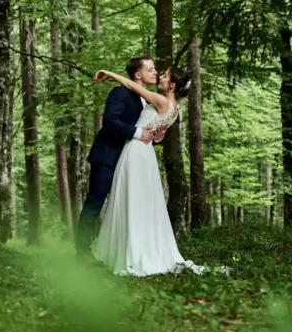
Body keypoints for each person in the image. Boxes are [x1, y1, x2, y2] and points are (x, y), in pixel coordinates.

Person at [90, 64, 204, 276]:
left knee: (130, 198)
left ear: (172, 85)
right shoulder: (175, 109)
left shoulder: (162, 100)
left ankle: (131, 252)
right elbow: (158, 133)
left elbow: (131, 85)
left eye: (165, 75)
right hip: (146, 152)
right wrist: (157, 135)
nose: (160, 76)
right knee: (140, 200)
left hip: (135, 151)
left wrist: (110, 73)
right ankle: (138, 248)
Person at [75, 55, 164, 260]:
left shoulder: (148, 101)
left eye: (154, 69)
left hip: (131, 162)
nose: (155, 73)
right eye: (150, 69)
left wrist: (156, 138)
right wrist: (137, 132)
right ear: (137, 74)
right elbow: (110, 122)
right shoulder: (120, 92)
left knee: (128, 205)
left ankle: (123, 253)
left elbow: (148, 133)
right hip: (108, 156)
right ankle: (82, 252)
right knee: (95, 202)